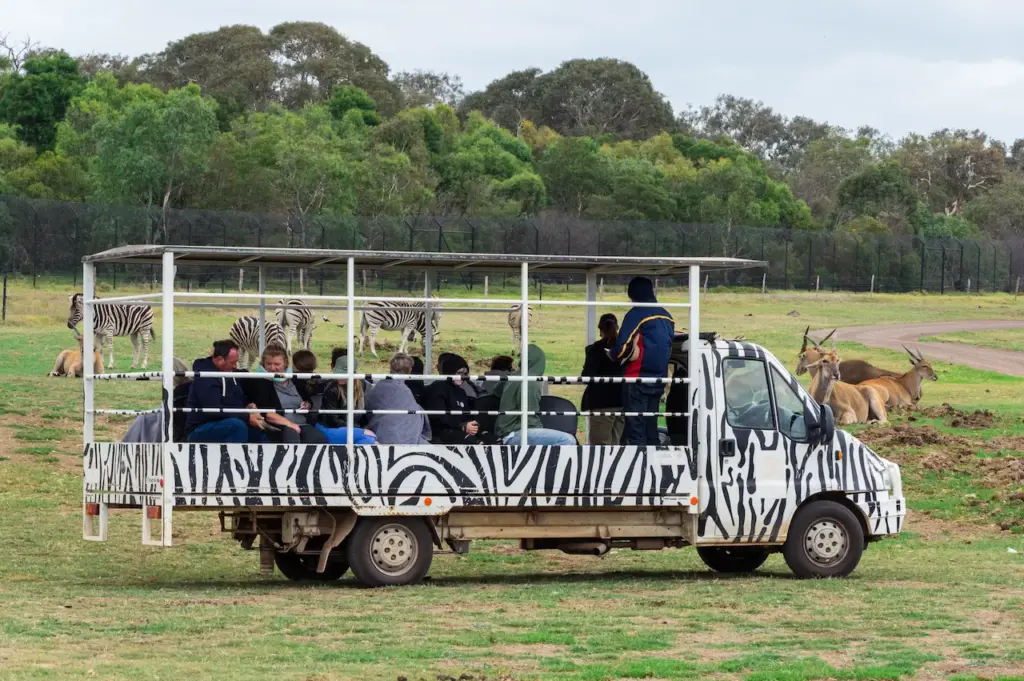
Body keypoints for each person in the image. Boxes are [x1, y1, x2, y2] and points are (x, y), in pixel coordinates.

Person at [611, 276, 675, 446]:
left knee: (635, 429)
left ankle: (638, 467)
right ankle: (653, 465)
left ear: (632, 294)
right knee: (650, 426)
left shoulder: (636, 314)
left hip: (636, 379)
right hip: (658, 379)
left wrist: (612, 354)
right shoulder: (667, 317)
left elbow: (623, 347)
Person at [185, 340, 267, 443]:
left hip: (224, 423)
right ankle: (232, 459)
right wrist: (246, 417)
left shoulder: (231, 374)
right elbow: (214, 410)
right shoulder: (205, 377)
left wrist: (247, 406)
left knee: (258, 430)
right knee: (237, 426)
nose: (235, 366)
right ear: (220, 360)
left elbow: (234, 401)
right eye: (232, 363)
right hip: (199, 428)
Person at [243, 344, 327, 445]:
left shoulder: (295, 380)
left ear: (285, 363)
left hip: (302, 424)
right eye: (268, 364)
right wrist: (290, 424)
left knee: (318, 437)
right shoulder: (260, 383)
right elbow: (267, 414)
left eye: (277, 364)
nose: (272, 368)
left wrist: (307, 405)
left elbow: (308, 400)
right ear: (263, 364)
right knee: (291, 435)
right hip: (279, 426)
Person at [495, 344, 576, 446]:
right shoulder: (531, 381)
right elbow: (530, 418)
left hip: (505, 432)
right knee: (567, 440)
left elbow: (494, 393)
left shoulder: (511, 377)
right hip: (515, 433)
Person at [364, 353, 432, 445]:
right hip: (401, 435)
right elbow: (413, 413)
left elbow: (369, 405)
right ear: (410, 370)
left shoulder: (379, 386)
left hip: (379, 430)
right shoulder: (404, 390)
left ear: (391, 367)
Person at [581, 313, 625, 446]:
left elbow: (586, 376)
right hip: (622, 401)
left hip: (601, 404)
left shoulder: (595, 349)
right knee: (616, 444)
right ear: (617, 327)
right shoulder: (624, 348)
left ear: (600, 329)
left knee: (600, 449)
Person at [316, 353, 376, 445]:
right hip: (329, 428)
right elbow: (332, 420)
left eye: (342, 373)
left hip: (348, 427)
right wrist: (359, 429)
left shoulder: (363, 385)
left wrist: (361, 427)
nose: (338, 376)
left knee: (373, 440)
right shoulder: (332, 389)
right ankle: (349, 458)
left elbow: (365, 412)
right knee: (369, 437)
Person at [423, 353, 481, 445]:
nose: (462, 377)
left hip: (459, 431)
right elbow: (438, 417)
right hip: (441, 433)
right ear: (449, 372)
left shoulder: (461, 392)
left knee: (490, 439)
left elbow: (466, 414)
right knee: (475, 443)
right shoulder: (436, 388)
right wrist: (462, 426)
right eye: (459, 373)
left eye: (465, 374)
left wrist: (473, 424)